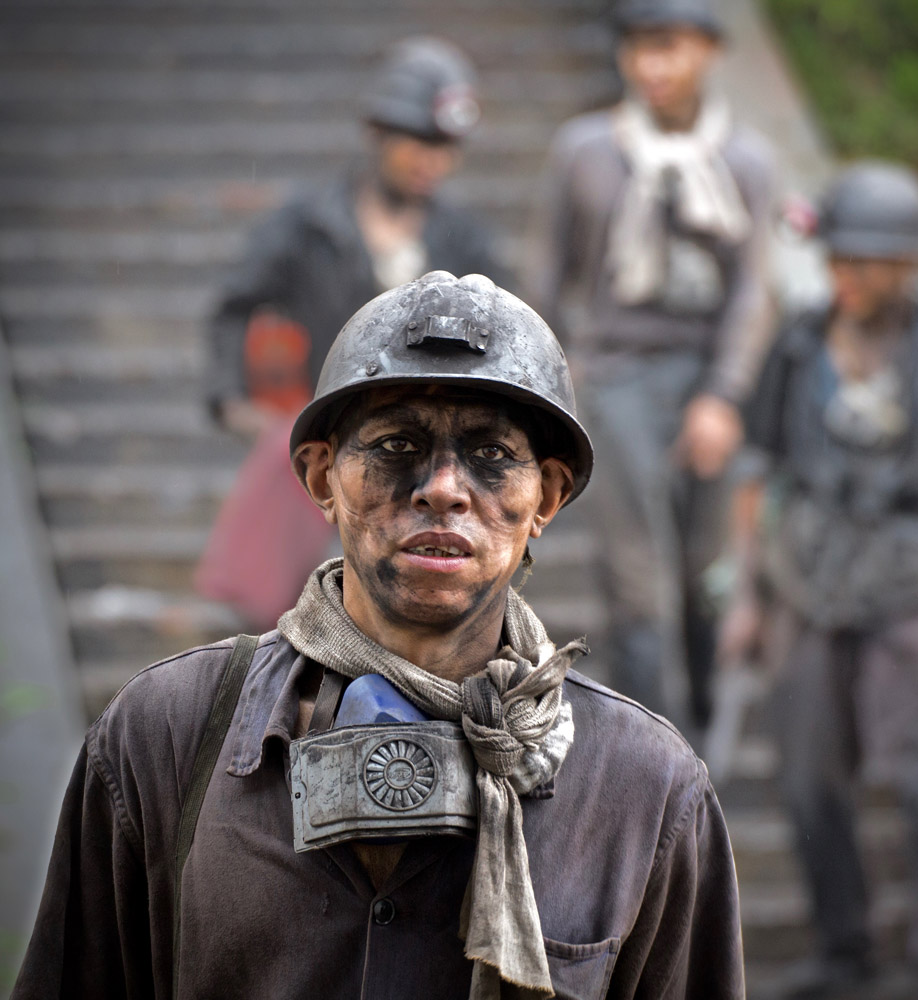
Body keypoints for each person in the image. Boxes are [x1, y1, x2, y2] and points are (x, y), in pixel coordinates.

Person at [13, 272, 745, 999]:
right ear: (322, 477)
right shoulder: (163, 737)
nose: (444, 488)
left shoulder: (644, 790)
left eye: (491, 454)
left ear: (546, 496)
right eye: (397, 444)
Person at [721, 162, 918, 999]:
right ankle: (844, 952)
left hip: (910, 597)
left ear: (907, 265)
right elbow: (755, 468)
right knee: (809, 781)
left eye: (865, 262)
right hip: (805, 588)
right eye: (836, 258)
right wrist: (744, 593)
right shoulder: (800, 343)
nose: (845, 276)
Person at [523, 0, 776, 731]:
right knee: (639, 583)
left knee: (706, 576)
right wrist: (557, 377)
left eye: (668, 47)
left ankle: (697, 735)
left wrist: (725, 395)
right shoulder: (586, 150)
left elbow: (755, 290)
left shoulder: (746, 162)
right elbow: (545, 276)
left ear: (710, 52)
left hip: (706, 378)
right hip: (616, 374)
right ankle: (650, 751)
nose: (650, 66)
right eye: (637, 47)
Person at [196, 37, 507, 629]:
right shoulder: (312, 223)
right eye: (418, 140)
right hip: (332, 426)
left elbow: (506, 335)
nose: (430, 160)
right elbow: (235, 303)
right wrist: (232, 399)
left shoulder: (465, 241)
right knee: (276, 592)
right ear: (380, 134)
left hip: (434, 443)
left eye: (445, 147)